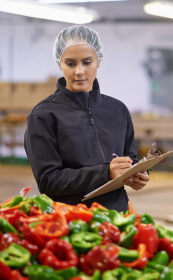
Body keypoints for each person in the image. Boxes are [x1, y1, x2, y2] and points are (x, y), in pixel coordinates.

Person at [24, 26, 150, 212]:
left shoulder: (118, 110)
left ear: (98, 61)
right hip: (72, 222)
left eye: (87, 62)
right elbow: (48, 181)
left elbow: (128, 159)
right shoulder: (43, 116)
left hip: (117, 218)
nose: (79, 71)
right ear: (60, 64)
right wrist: (106, 172)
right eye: (71, 63)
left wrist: (137, 174)